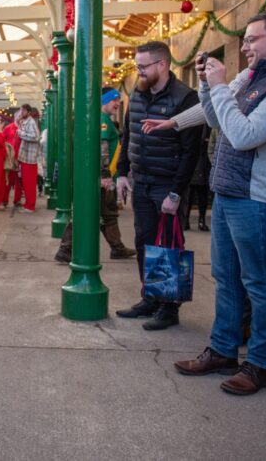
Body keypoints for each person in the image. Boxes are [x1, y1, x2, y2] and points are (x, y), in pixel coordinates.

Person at [174, 11, 266, 396]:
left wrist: (220, 86)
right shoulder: (248, 78)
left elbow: (244, 135)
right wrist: (207, 86)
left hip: (257, 200)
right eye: (244, 39)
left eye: (252, 39)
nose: (244, 46)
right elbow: (217, 121)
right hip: (227, 194)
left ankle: (260, 364)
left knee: (259, 285)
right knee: (227, 280)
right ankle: (223, 350)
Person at [115, 41, 201, 331]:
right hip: (141, 181)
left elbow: (191, 152)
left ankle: (169, 307)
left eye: (143, 66)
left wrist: (176, 192)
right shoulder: (137, 95)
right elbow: (129, 135)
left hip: (167, 183)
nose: (139, 71)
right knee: (144, 242)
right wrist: (122, 173)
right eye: (137, 66)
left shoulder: (185, 98)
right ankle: (150, 296)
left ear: (163, 65)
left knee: (168, 247)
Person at [54, 88, 136, 263]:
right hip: (102, 178)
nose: (117, 103)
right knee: (88, 212)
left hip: (100, 177)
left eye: (118, 100)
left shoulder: (98, 119)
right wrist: (105, 175)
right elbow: (102, 151)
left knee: (107, 212)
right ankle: (65, 249)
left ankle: (116, 247)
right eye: (113, 100)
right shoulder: (103, 121)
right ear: (103, 101)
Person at [184, 125, 212, 231]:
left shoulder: (198, 124)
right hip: (200, 164)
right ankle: (200, 221)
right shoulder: (206, 124)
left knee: (194, 194)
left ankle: (188, 221)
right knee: (199, 194)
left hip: (197, 164)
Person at [16, 104, 40, 212]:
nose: (21, 113)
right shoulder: (27, 121)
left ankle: (30, 206)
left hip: (29, 157)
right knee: (26, 182)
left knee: (29, 182)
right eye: (21, 110)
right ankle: (28, 205)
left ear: (29, 112)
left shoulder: (31, 122)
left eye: (23, 111)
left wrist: (20, 133)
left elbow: (35, 137)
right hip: (26, 156)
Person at [2, 111, 21, 206]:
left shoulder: (24, 128)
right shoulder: (8, 128)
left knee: (19, 181)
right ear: (15, 117)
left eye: (21, 116)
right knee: (8, 180)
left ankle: (17, 200)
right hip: (10, 159)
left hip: (21, 159)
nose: (20, 118)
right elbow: (2, 141)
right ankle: (5, 200)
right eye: (18, 116)